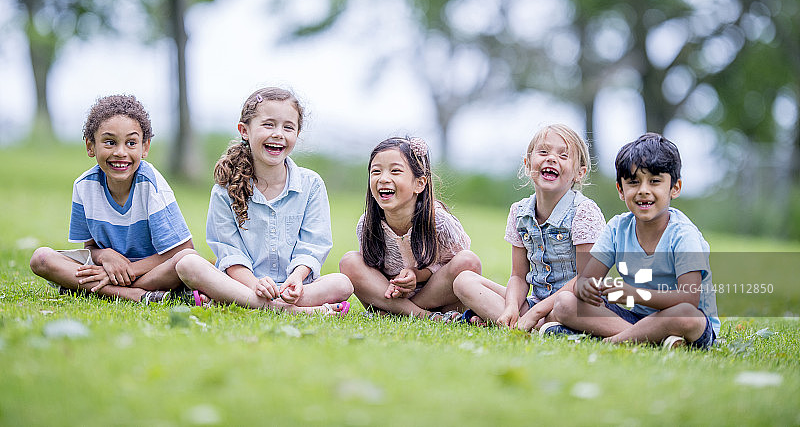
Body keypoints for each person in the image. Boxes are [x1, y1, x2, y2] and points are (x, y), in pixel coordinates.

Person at [175, 87, 353, 315]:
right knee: (188, 264)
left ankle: (239, 302)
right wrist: (254, 285)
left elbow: (313, 244)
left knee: (342, 283)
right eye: (268, 124)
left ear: (297, 134)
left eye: (288, 127)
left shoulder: (311, 185)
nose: (279, 133)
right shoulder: (224, 190)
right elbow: (230, 251)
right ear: (245, 130)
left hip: (297, 287)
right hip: (245, 284)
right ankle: (291, 311)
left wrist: (296, 279)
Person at [550, 132, 719, 348]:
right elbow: (586, 279)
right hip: (634, 318)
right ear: (621, 189)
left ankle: (613, 341)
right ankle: (649, 339)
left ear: (674, 188)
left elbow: (689, 299)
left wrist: (635, 294)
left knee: (686, 314)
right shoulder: (617, 228)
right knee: (564, 304)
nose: (643, 191)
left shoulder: (683, 235)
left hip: (689, 323)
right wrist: (587, 288)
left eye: (655, 181)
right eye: (633, 182)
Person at [29, 94, 198, 304]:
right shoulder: (84, 186)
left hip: (151, 272)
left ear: (144, 147)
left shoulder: (150, 184)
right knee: (41, 258)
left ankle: (99, 289)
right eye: (110, 142)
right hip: (108, 269)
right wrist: (105, 256)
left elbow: (184, 250)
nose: (120, 152)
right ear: (90, 146)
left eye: (131, 143)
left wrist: (124, 271)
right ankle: (135, 296)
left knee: (186, 261)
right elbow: (90, 249)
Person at [453, 124, 606, 330]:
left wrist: (537, 311)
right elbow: (518, 275)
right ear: (527, 164)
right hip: (536, 303)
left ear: (579, 172)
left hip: (576, 303)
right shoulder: (520, 212)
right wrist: (511, 306)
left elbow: (586, 279)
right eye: (543, 152)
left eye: (563, 155)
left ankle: (532, 323)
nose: (551, 158)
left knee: (565, 307)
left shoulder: (583, 211)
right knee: (464, 281)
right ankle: (523, 322)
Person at [338, 136, 481, 321]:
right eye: (376, 171)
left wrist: (418, 275)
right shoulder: (367, 224)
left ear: (419, 183)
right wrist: (396, 285)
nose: (383, 179)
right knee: (349, 261)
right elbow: (372, 272)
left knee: (468, 261)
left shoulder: (440, 222)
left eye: (395, 171)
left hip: (435, 295)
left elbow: (459, 265)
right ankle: (425, 316)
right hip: (390, 295)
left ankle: (398, 312)